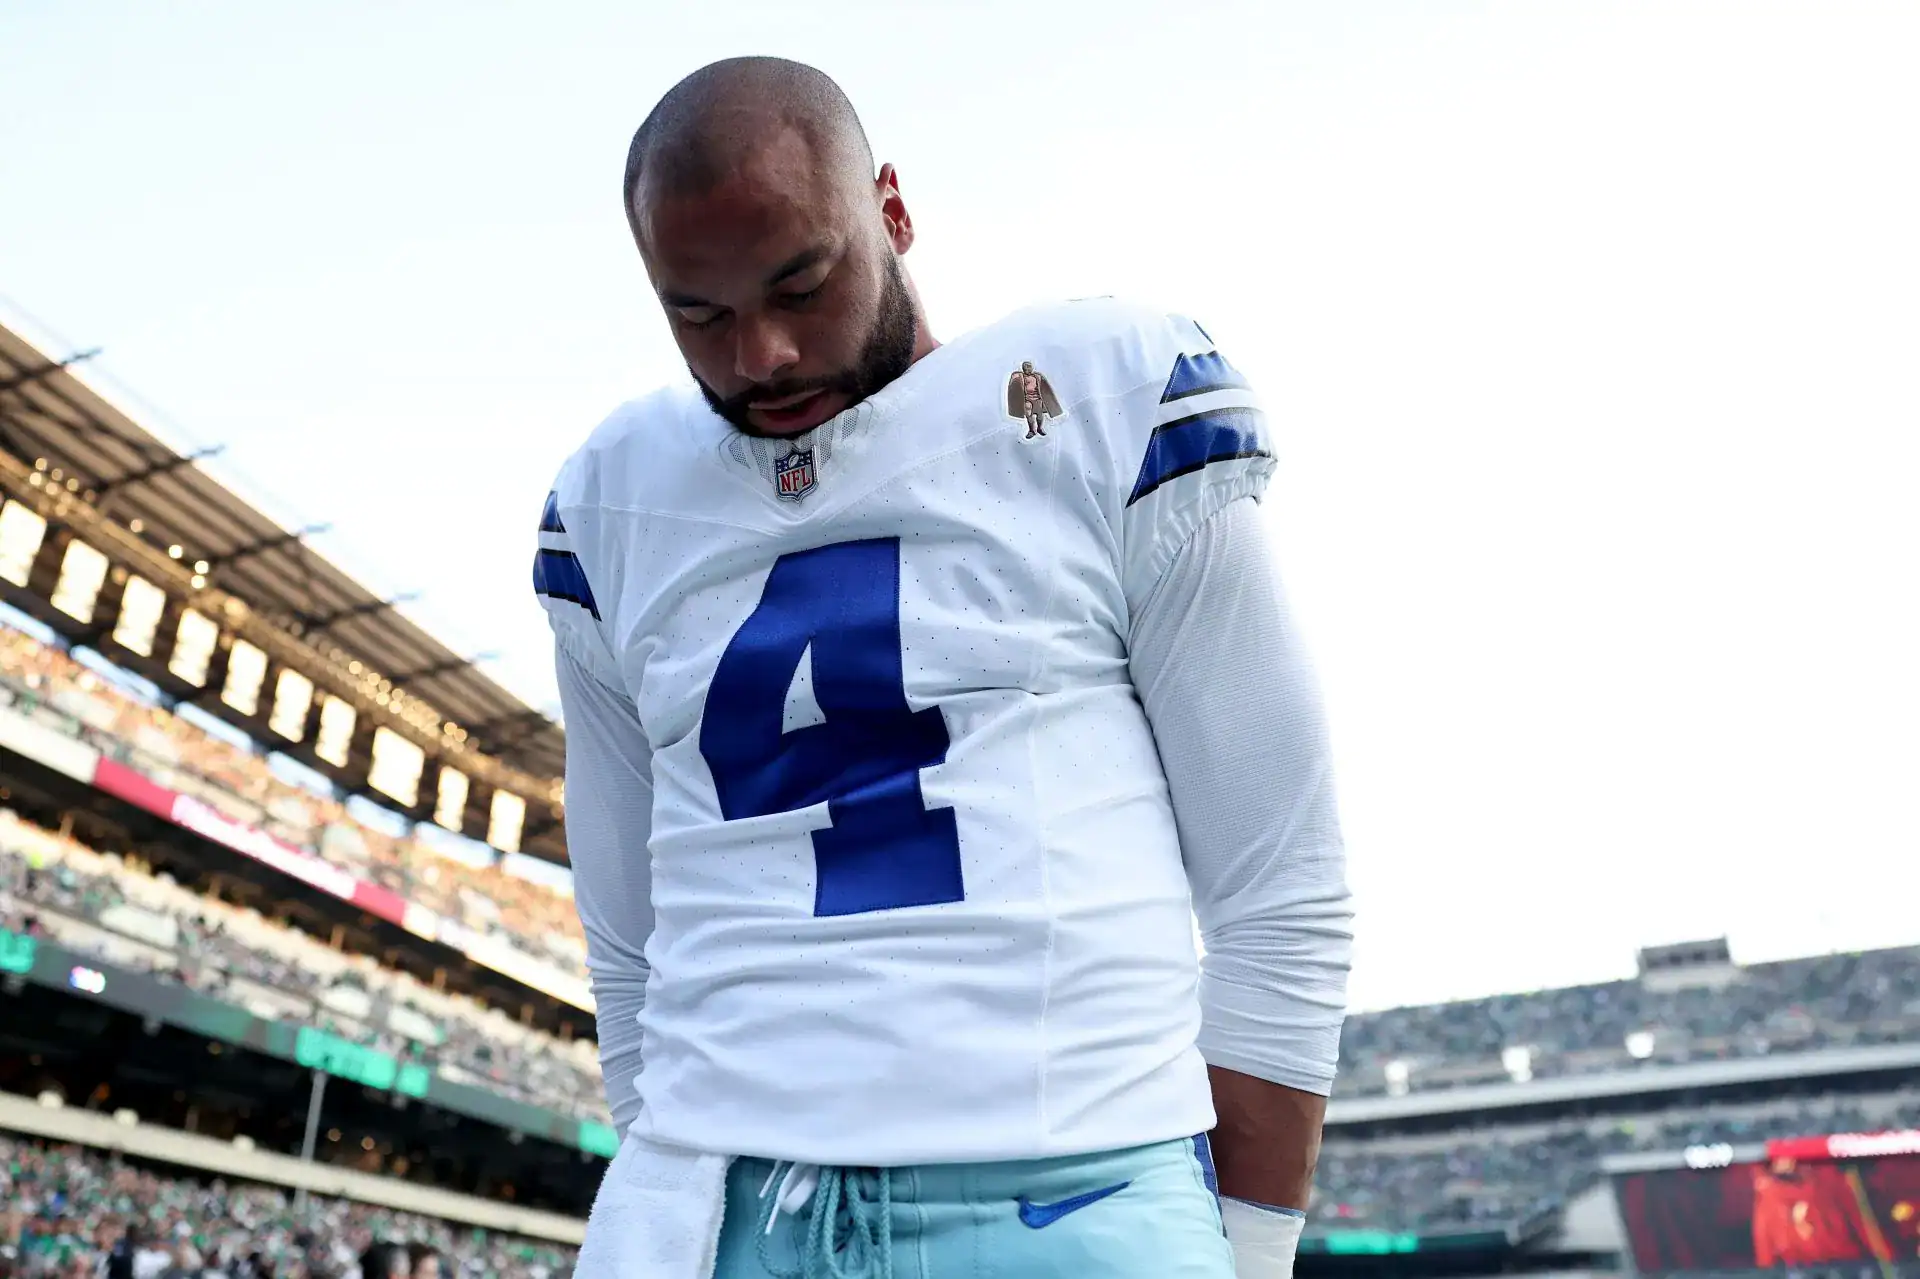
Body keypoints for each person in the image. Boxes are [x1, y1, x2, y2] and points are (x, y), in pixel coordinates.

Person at [541, 56, 1353, 1279]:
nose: (760, 353)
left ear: (893, 210)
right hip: (717, 1210)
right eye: (697, 313)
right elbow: (628, 947)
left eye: (800, 283)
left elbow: (1277, 887)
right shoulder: (615, 501)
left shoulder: (1090, 396)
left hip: (1072, 1193)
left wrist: (1249, 1248)